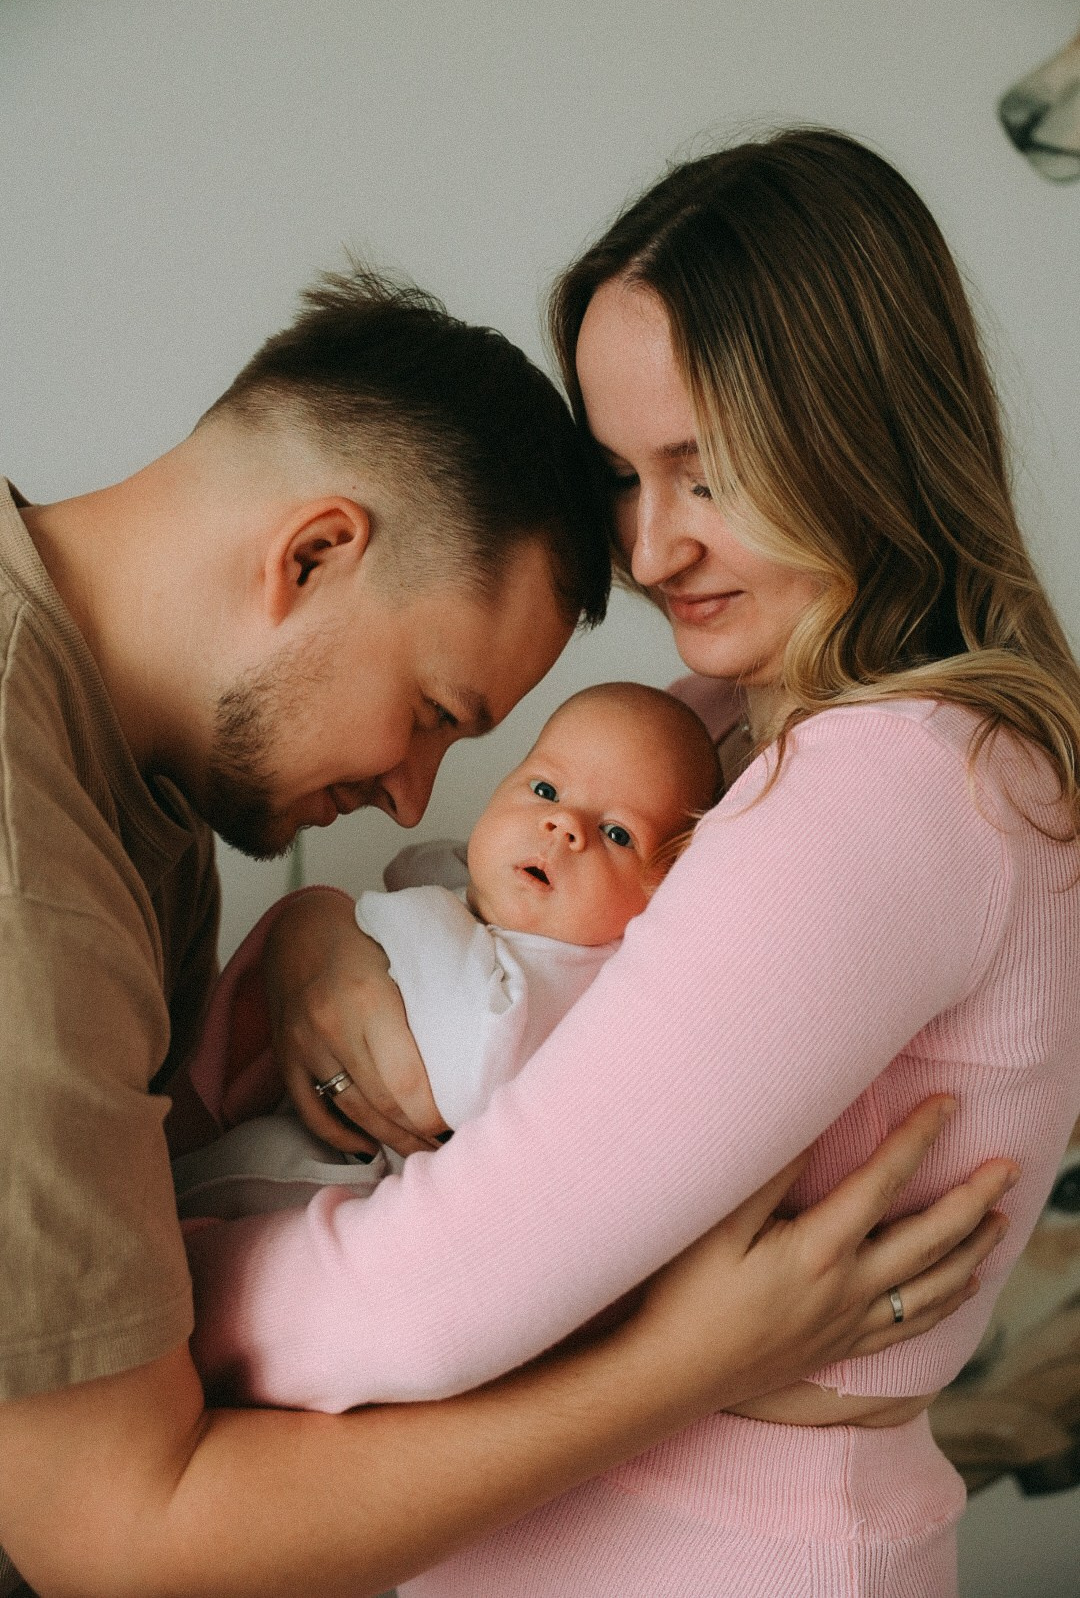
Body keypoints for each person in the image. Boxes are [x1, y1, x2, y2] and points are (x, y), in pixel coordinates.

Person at [0, 261, 1002, 1598]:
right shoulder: (31, 877)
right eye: (435, 713)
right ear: (311, 555)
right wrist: (688, 1362)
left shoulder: (130, 778)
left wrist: (313, 932)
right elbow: (122, 1544)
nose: (416, 797)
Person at [171, 681, 720, 1217]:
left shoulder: (570, 982)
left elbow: (462, 1084)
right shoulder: (484, 905)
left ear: (660, 894)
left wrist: (402, 913)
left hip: (342, 1191)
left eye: (618, 833)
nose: (564, 826)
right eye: (546, 791)